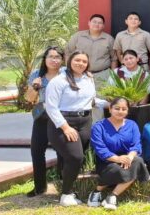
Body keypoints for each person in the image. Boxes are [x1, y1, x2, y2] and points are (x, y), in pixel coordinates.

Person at [44, 51, 106, 206]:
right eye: (77, 60)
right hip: (63, 122)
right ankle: (66, 194)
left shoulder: (88, 79)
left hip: (85, 121)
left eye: (84, 61)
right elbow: (51, 107)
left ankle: (69, 190)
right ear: (70, 61)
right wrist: (66, 127)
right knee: (75, 157)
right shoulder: (59, 81)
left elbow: (91, 101)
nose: (80, 63)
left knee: (74, 158)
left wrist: (111, 104)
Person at [88, 97, 150, 210]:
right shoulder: (99, 126)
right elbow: (100, 149)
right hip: (107, 161)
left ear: (127, 111)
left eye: (124, 109)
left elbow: (136, 145)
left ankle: (112, 195)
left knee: (138, 161)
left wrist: (129, 157)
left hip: (128, 160)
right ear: (110, 109)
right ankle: (97, 191)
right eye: (117, 108)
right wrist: (118, 159)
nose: (120, 111)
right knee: (121, 169)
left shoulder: (132, 125)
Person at [27, 46, 66, 197]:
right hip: (42, 117)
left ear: (62, 60)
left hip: (61, 116)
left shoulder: (65, 74)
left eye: (58, 57)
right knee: (37, 151)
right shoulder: (36, 74)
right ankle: (39, 187)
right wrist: (35, 86)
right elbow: (29, 99)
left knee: (62, 151)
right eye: (51, 56)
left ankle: (63, 185)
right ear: (45, 59)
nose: (54, 60)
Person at [65, 13, 117, 89]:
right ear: (89, 23)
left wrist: (113, 76)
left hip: (102, 75)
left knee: (101, 99)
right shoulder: (78, 36)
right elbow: (68, 53)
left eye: (100, 23)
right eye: (94, 22)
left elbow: (114, 59)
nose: (97, 24)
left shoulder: (109, 39)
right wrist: (69, 70)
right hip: (80, 74)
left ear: (103, 26)